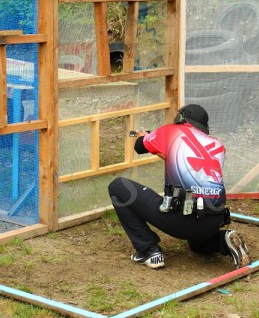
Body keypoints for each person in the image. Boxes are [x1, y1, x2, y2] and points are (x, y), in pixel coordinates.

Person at [107, 104, 250, 269]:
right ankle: (223, 240)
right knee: (198, 245)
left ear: (181, 118)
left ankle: (149, 251)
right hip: (214, 221)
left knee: (118, 187)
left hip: (181, 221)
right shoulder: (218, 145)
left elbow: (139, 146)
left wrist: (144, 136)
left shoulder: (170, 132)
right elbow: (194, 166)